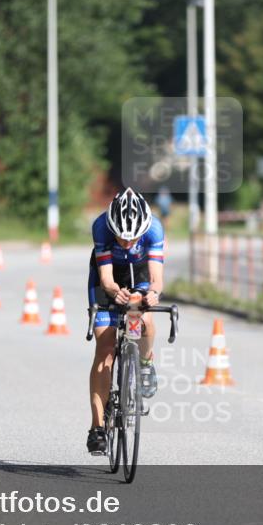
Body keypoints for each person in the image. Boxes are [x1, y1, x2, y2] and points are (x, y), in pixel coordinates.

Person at [86, 188, 165, 454]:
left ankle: (144, 363)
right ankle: (97, 427)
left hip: (140, 274)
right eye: (122, 238)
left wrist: (151, 294)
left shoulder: (154, 230)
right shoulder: (101, 228)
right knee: (105, 348)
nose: (127, 244)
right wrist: (113, 291)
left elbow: (156, 278)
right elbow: (107, 279)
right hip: (107, 277)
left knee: (144, 321)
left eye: (133, 240)